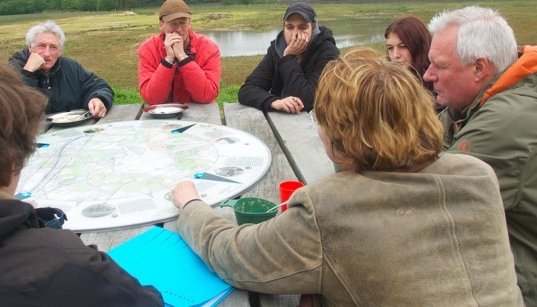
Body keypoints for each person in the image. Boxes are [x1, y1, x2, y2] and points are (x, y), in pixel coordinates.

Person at [171, 48, 522, 305]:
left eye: (319, 120)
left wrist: (191, 205)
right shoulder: (478, 176)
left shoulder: (329, 206)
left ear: (337, 135)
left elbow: (233, 257)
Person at [0, 55, 163, 306]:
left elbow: (97, 84)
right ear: (9, 165)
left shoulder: (71, 67)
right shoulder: (63, 265)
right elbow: (147, 301)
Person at [423, 5, 537, 304]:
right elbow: (429, 137)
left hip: (520, 288)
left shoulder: (507, 121)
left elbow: (427, 196)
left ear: (479, 68)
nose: (427, 75)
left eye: (439, 66)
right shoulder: (483, 97)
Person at [238, 2, 339, 113]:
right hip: (280, 120)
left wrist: (288, 58)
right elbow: (247, 89)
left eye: (303, 27)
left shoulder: (328, 52)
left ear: (313, 28)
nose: (295, 34)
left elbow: (307, 100)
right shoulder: (276, 49)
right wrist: (275, 102)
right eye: (290, 27)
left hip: (316, 122)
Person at [9, 20, 114, 117]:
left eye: (53, 47)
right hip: (30, 134)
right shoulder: (13, 69)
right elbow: (11, 106)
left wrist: (99, 98)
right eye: (41, 46)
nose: (47, 53)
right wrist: (28, 72)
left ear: (60, 51)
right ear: (30, 47)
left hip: (73, 131)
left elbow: (99, 86)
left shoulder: (71, 68)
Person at [137, 0, 221, 105]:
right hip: (163, 115)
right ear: (161, 25)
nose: (179, 29)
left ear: (189, 23)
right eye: (173, 24)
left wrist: (183, 58)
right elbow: (152, 99)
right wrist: (168, 61)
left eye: (182, 23)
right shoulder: (148, 49)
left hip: (200, 113)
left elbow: (206, 96)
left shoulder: (208, 48)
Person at [384, 16, 434, 92]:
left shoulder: (437, 84)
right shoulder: (384, 85)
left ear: (418, 46)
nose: (395, 55)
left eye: (403, 47)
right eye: (390, 48)